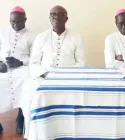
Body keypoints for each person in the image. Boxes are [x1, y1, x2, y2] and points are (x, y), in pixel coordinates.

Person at [21, 5, 86, 138]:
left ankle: (70, 133)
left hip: (69, 79)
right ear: (49, 18)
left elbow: (81, 62)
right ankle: (35, 133)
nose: (56, 17)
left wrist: (65, 75)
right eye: (53, 14)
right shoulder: (41, 37)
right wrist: (46, 74)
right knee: (30, 95)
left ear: (66, 18)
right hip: (43, 78)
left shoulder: (76, 37)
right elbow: (34, 63)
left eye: (60, 14)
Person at [0, 6, 35, 134]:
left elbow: (35, 57)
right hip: (3, 67)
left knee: (26, 82)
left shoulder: (33, 35)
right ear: (9, 20)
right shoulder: (2, 32)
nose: (16, 24)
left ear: (25, 19)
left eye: (20, 21)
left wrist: (21, 62)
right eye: (13, 22)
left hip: (23, 68)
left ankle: (21, 118)